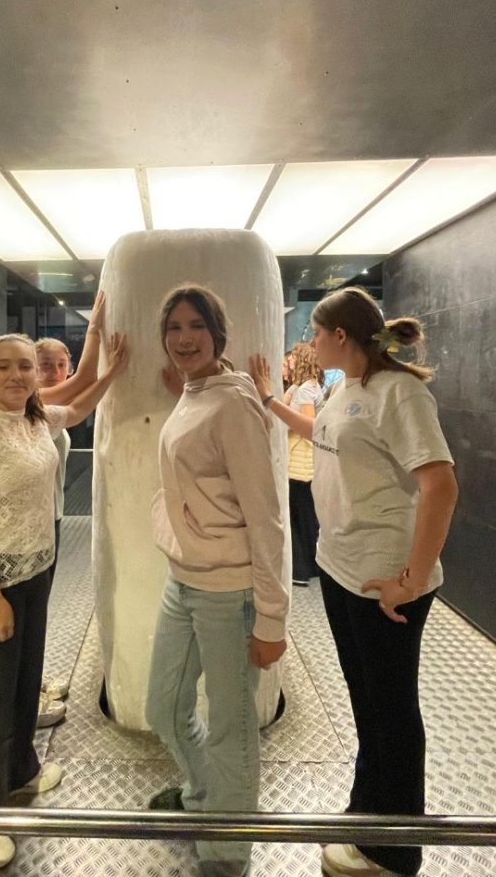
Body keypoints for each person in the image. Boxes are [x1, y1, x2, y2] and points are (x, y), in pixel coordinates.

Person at [250, 287, 458, 877]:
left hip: (384, 582)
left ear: (339, 336)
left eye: (316, 334)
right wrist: (267, 399)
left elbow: (441, 485)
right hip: (342, 570)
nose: (311, 344)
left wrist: (410, 580)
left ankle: (394, 852)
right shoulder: (346, 388)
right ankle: (368, 814)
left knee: (391, 711)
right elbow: (317, 432)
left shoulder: (400, 393)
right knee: (367, 704)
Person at [0, 329, 128, 871]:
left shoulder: (36, 419)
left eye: (25, 366)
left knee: (24, 683)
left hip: (32, 575)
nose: (16, 375)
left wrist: (113, 372)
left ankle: (18, 772)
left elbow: (78, 408)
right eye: (4, 366)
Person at [146, 284, 289, 877]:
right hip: (184, 580)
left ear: (218, 333)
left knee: (231, 727)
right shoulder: (198, 390)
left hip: (229, 592)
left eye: (196, 326)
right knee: (163, 707)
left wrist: (272, 618)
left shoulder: (232, 403)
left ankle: (227, 852)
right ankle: (206, 796)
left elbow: (266, 515)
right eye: (174, 328)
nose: (184, 338)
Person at [32, 291, 107, 726]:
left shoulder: (48, 410)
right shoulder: (30, 405)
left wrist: (110, 373)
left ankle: (32, 683)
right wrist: (95, 327)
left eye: (60, 365)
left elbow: (79, 402)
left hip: (50, 518)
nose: (53, 372)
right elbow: (84, 382)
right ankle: (27, 699)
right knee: (28, 612)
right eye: (44, 365)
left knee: (36, 609)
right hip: (30, 526)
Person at [283, 341, 324, 586]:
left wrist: (285, 424)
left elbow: (308, 424)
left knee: (297, 518)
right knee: (306, 516)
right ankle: (310, 565)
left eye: (292, 358)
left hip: (300, 462)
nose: (288, 362)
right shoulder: (304, 387)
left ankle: (299, 571)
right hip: (304, 462)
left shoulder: (306, 390)